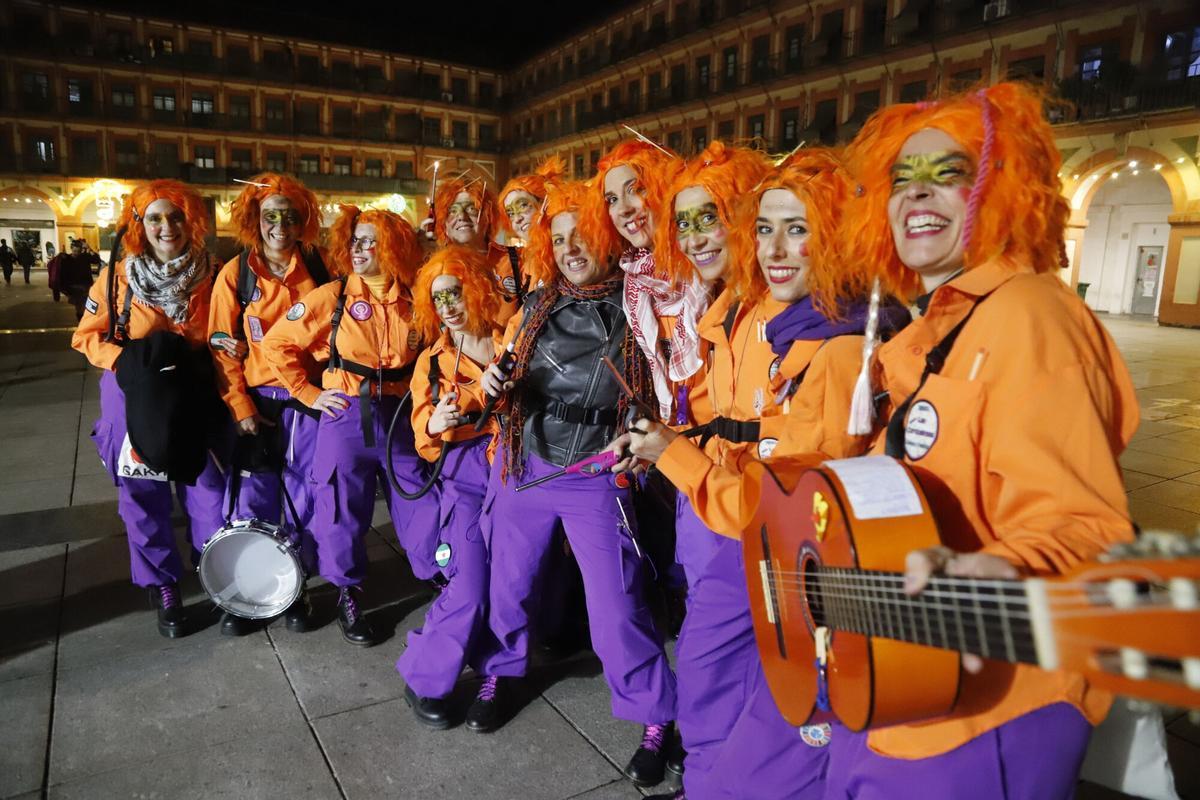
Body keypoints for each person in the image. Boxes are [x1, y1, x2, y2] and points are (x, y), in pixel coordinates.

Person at [798, 81, 1139, 798]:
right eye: (901, 179)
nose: (917, 194)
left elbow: (1087, 524)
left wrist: (1000, 568)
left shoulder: (1031, 313)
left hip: (988, 711)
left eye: (948, 174)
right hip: (904, 680)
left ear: (1003, 190)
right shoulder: (933, 327)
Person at [615, 149, 908, 799]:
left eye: (796, 228)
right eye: (767, 227)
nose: (774, 247)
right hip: (718, 521)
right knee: (710, 679)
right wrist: (673, 443)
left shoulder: (826, 339)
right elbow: (735, 421)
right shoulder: (742, 311)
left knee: (766, 706)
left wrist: (675, 455)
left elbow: (795, 499)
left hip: (770, 544)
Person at [472, 179, 678, 789]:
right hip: (527, 461)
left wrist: (640, 435)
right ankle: (501, 671)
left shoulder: (639, 302)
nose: (570, 249)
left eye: (580, 235)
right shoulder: (537, 304)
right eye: (558, 239)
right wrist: (493, 383)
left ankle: (655, 713)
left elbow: (661, 381)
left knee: (617, 603)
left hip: (596, 472)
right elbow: (506, 364)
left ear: (606, 237)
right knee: (509, 584)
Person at [261, 206, 440, 647]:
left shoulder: (417, 299)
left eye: (369, 241)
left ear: (392, 248)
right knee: (339, 508)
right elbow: (277, 342)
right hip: (345, 416)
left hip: (400, 415)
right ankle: (347, 591)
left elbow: (440, 348)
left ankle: (437, 574)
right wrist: (308, 394)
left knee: (419, 500)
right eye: (355, 240)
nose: (358, 249)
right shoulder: (333, 296)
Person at [71, 179, 227, 639]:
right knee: (142, 495)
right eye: (155, 218)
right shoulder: (118, 277)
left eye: (176, 216)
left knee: (209, 489)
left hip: (196, 395)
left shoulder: (215, 273)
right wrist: (126, 363)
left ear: (191, 221)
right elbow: (86, 336)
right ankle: (163, 585)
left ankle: (215, 570)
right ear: (140, 224)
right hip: (133, 397)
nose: (167, 227)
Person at [207, 173, 329, 636]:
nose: (280, 226)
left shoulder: (320, 268)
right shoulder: (235, 274)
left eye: (290, 216)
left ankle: (295, 588)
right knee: (252, 498)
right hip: (258, 403)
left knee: (303, 498)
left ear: (304, 221)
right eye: (270, 216)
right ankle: (251, 591)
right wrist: (240, 408)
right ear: (254, 220)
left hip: (306, 404)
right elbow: (222, 348)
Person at [398, 245, 504, 728]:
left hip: (516, 472)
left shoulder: (512, 337)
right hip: (466, 479)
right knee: (471, 582)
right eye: (438, 298)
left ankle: (497, 673)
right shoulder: (432, 362)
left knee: (514, 582)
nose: (448, 307)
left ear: (477, 289)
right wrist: (435, 423)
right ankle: (425, 675)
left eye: (455, 293)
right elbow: (422, 436)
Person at [493, 156, 566, 321]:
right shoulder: (526, 261)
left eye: (523, 205)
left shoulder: (565, 249)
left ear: (544, 203)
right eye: (511, 214)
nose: (517, 219)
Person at [58, 239, 97, 320]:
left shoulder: (84, 257)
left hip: (85, 285)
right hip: (74, 286)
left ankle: (83, 318)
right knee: (79, 305)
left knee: (83, 305)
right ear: (71, 249)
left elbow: (96, 259)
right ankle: (82, 318)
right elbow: (62, 273)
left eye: (78, 251)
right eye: (75, 251)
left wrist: (89, 249)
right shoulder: (66, 259)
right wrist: (63, 287)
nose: (76, 253)